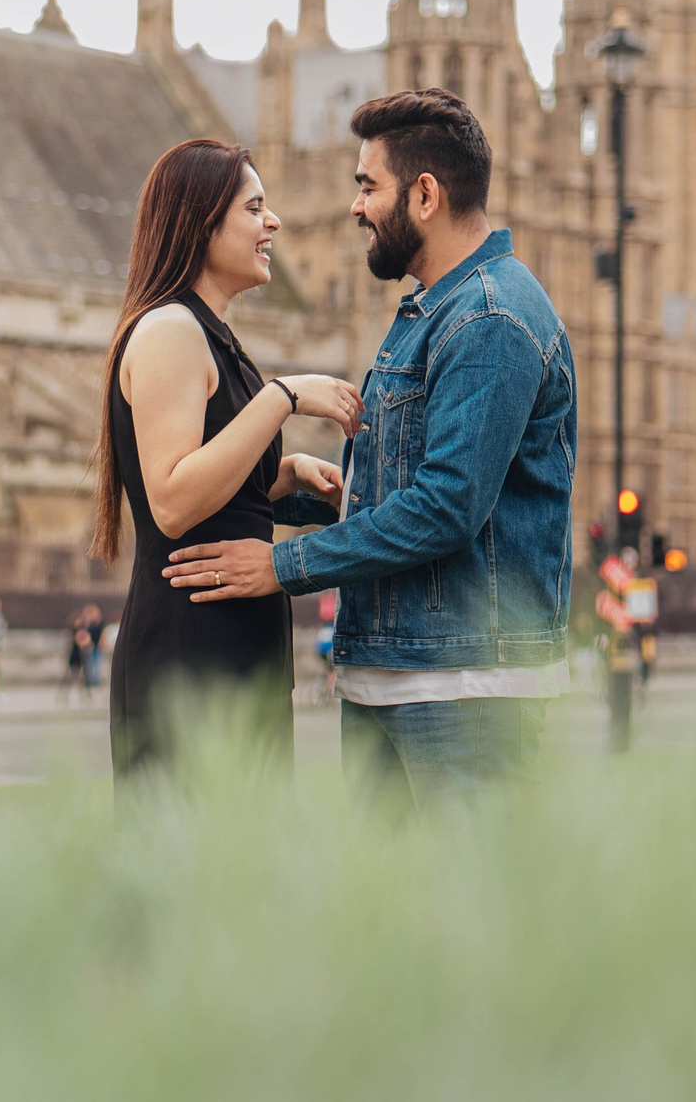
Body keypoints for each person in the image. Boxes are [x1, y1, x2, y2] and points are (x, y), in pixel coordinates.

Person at [164, 92, 574, 811]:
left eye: (366, 185)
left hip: (463, 686)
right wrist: (316, 492)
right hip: (395, 672)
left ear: (424, 195)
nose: (354, 207)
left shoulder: (490, 315)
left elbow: (447, 506)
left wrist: (281, 565)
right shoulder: (431, 307)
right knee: (391, 920)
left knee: (467, 914)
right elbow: (413, 488)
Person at [98, 137, 362, 787]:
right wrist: (285, 397)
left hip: (235, 647)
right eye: (254, 207)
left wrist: (290, 472)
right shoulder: (171, 331)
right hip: (191, 653)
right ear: (202, 220)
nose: (272, 222)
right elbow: (174, 497)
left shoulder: (214, 336)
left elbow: (219, 481)